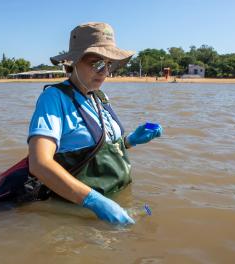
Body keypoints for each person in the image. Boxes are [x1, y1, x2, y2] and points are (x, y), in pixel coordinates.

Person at [26, 22, 162, 225]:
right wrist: (94, 202)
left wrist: (130, 141)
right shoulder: (53, 99)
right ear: (73, 62)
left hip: (118, 199)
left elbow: (95, 153)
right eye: (97, 63)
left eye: (109, 65)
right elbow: (39, 164)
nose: (104, 71)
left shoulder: (99, 97)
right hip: (79, 213)